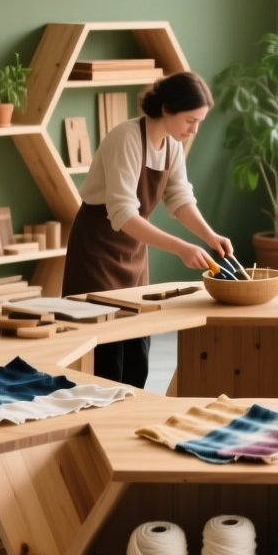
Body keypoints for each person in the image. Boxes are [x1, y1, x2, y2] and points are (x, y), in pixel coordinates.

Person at [61, 72, 233, 387]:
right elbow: (123, 214)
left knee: (138, 351)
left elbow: (179, 198)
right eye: (190, 120)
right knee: (106, 356)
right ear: (167, 109)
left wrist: (209, 236)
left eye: (199, 122)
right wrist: (181, 248)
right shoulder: (124, 138)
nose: (194, 129)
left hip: (134, 252)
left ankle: (128, 420)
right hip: (97, 250)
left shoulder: (171, 145)